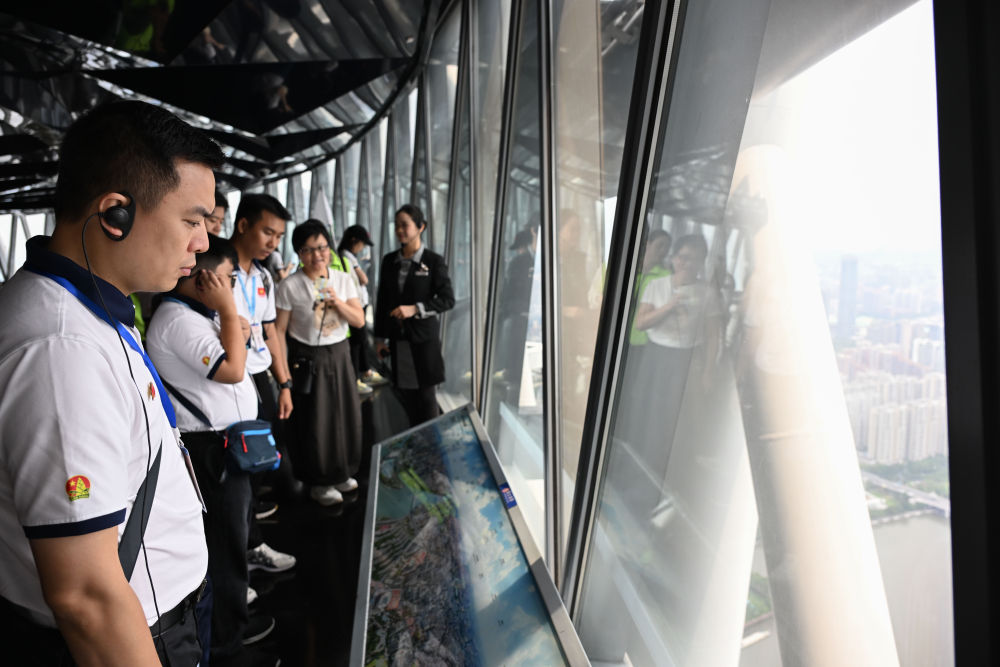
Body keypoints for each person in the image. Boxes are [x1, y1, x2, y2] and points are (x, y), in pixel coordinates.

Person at [0, 100, 221, 665]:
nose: (202, 243)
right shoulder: (61, 349)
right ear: (115, 215)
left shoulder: (91, 307)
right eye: (192, 220)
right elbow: (86, 598)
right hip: (138, 634)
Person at [146, 235, 278, 666]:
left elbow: (239, 349)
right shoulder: (177, 321)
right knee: (224, 546)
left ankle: (230, 629)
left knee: (231, 539)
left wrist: (226, 315)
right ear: (203, 278)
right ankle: (226, 643)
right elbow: (234, 369)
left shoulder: (195, 315)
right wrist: (227, 308)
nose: (229, 286)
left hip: (225, 444)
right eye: (225, 278)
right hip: (210, 449)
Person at [228, 193, 299, 571]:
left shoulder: (263, 277)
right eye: (268, 232)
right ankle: (240, 551)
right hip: (229, 378)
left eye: (279, 236)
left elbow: (270, 331)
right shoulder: (214, 271)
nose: (274, 243)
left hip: (260, 376)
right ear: (243, 225)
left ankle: (249, 543)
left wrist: (284, 383)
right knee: (235, 468)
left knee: (259, 461)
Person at [276, 220, 365, 506]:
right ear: (299, 253)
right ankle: (319, 480)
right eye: (309, 250)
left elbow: (359, 320)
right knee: (316, 420)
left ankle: (342, 471)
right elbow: (279, 330)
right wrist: (283, 375)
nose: (318, 255)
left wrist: (338, 303)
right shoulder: (289, 286)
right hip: (307, 357)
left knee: (345, 414)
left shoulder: (342, 279)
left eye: (323, 248)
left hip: (339, 354)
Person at [374, 204, 455, 427]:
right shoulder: (390, 261)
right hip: (399, 341)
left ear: (421, 227)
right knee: (406, 399)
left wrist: (416, 309)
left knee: (427, 400)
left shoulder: (433, 261)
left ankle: (432, 445)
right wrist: (379, 338)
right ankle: (415, 443)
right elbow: (383, 301)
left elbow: (447, 299)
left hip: (424, 340)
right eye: (397, 225)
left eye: (405, 225)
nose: (399, 230)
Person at [338, 224, 388, 394]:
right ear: (354, 240)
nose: (362, 248)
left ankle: (363, 373)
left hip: (357, 304)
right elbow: (364, 279)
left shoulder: (347, 256)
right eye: (362, 243)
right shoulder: (347, 257)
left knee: (360, 341)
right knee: (357, 341)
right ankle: (355, 379)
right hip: (355, 305)